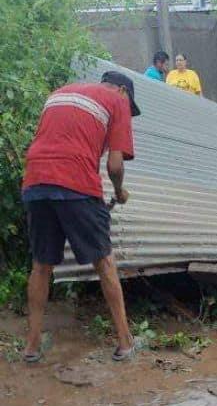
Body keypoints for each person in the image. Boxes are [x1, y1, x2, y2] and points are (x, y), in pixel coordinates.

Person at [20, 71, 140, 363]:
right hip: (75, 182)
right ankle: (125, 342)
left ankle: (32, 347)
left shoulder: (60, 92)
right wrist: (119, 191)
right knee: (105, 262)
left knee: (41, 265)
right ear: (123, 91)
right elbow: (114, 165)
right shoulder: (117, 100)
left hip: (35, 180)